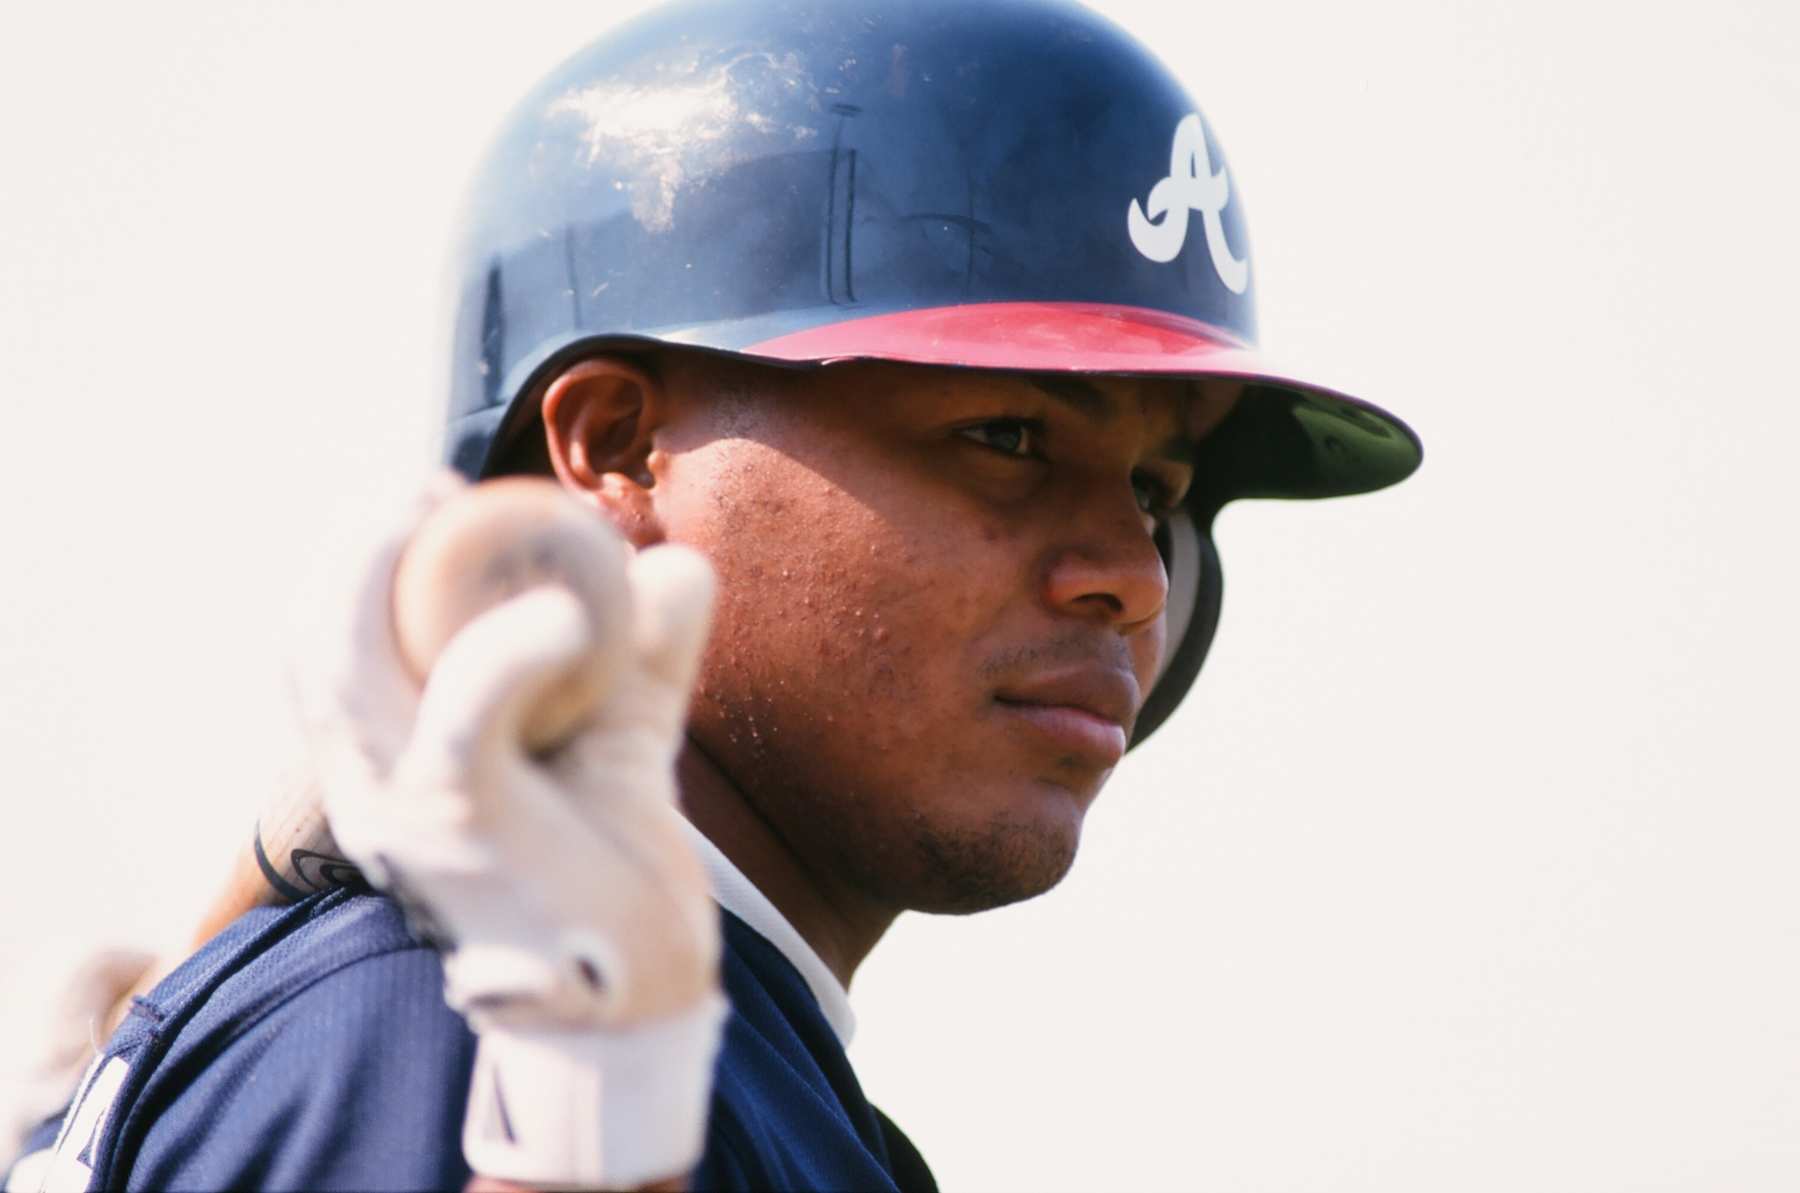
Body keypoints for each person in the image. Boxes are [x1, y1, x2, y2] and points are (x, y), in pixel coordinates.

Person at [2, 1, 1421, 1190]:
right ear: (616, 445)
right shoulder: (453, 1037)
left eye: (1158, 495)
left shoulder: (714, 1068)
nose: (1123, 574)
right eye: (1009, 436)